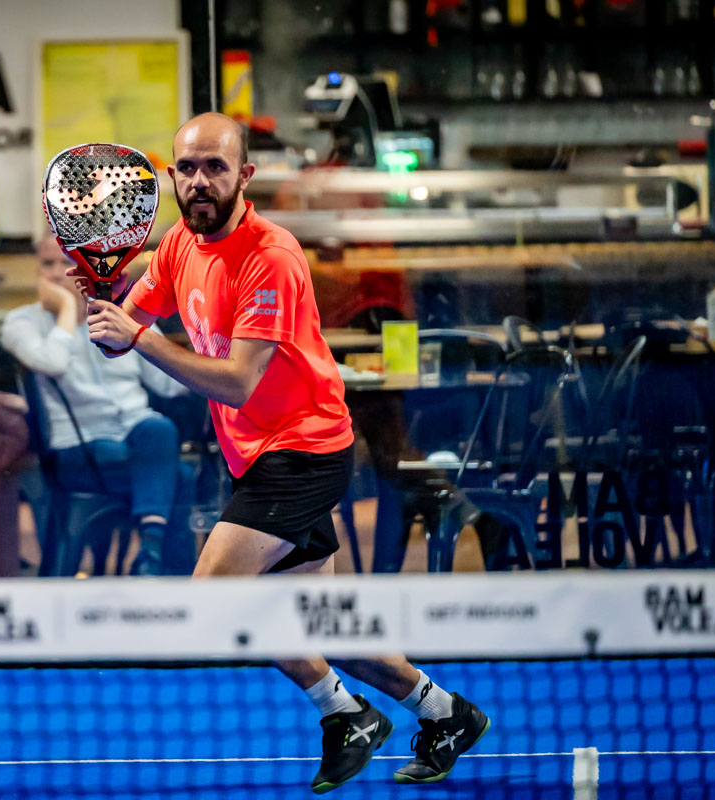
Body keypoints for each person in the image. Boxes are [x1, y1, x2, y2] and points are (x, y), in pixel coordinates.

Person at [74, 113, 491, 791]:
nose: (200, 180)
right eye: (188, 168)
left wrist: (138, 338)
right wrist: (104, 307)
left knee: (213, 601)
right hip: (256, 457)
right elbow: (126, 329)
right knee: (319, 626)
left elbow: (237, 382)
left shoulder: (270, 256)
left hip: (305, 450)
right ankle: (446, 714)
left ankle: (344, 714)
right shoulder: (178, 245)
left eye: (215, 167)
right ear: (173, 177)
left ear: (244, 175)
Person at [1, 236, 188, 576]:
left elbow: (171, 383)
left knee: (158, 430)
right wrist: (67, 308)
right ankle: (165, 576)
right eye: (47, 264)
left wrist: (137, 324)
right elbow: (53, 362)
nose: (56, 273)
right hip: (77, 450)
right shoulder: (21, 322)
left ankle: (150, 556)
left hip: (138, 439)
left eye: (66, 263)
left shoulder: (119, 315)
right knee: (180, 476)